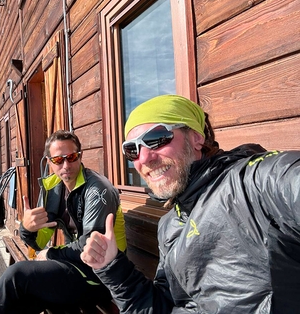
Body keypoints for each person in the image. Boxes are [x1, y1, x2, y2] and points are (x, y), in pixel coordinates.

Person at [80, 94, 300, 313]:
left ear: (196, 138)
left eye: (157, 138)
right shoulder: (170, 225)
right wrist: (112, 267)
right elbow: (163, 307)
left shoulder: (251, 183)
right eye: (132, 150)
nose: (144, 158)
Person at [0, 130, 127, 314]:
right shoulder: (53, 188)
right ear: (49, 162)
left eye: (71, 157)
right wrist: (27, 229)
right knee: (20, 301)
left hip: (103, 276)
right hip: (75, 268)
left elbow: (91, 247)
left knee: (18, 275)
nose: (66, 165)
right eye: (58, 160)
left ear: (80, 156)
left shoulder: (98, 190)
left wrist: (51, 254)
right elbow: (39, 242)